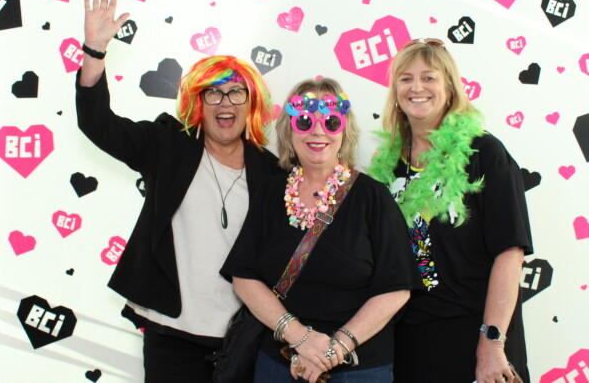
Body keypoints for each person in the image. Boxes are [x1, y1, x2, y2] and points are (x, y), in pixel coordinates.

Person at [76, 0, 281, 381]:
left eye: (235, 93)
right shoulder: (167, 145)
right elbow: (97, 123)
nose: (225, 102)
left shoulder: (272, 173)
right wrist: (95, 51)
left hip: (244, 339)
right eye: (213, 93)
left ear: (251, 103)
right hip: (170, 337)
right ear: (197, 103)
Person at [220, 77, 421, 383]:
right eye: (304, 121)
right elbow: (243, 276)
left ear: (344, 130)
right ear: (289, 129)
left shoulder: (372, 197)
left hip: (358, 368)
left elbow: (396, 289)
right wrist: (299, 337)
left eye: (330, 121)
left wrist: (333, 349)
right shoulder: (270, 192)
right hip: (278, 363)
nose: (317, 131)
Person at [367, 38, 533, 383]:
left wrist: (491, 345)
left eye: (429, 77)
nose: (417, 87)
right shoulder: (388, 168)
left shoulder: (484, 153)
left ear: (450, 89)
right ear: (395, 91)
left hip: (476, 335)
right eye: (406, 78)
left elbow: (510, 253)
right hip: (410, 342)